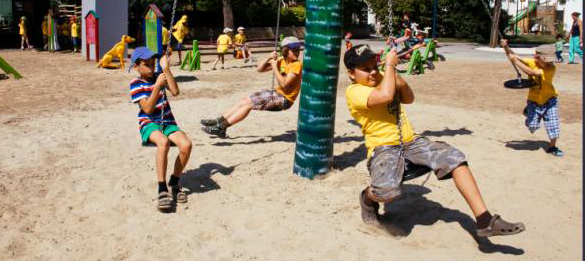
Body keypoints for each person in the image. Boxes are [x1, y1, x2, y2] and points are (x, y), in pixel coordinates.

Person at [344, 44, 525, 238]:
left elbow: (408, 98)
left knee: (454, 158)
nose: (372, 72)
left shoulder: (383, 77)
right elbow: (386, 95)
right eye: (365, 69)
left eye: (374, 66)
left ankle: (485, 220)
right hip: (383, 149)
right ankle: (367, 197)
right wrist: (388, 68)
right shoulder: (354, 91)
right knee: (387, 193)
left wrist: (395, 75)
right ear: (352, 73)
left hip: (410, 142)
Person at [130, 47, 193, 212]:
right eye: (147, 65)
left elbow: (175, 91)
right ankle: (162, 188)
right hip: (149, 122)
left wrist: (166, 69)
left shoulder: (160, 75)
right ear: (136, 66)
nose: (151, 68)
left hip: (167, 121)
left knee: (186, 145)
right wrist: (157, 86)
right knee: (163, 143)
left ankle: (174, 181)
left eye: (153, 64)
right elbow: (148, 109)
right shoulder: (135, 84)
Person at [200, 36, 303, 138]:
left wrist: (275, 66)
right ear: (285, 51)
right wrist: (268, 58)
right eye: (294, 50)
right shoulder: (281, 61)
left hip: (284, 99)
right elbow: (260, 69)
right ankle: (219, 120)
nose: (297, 52)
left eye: (298, 50)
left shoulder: (297, 65)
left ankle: (221, 127)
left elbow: (284, 84)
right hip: (276, 94)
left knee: (249, 104)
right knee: (245, 100)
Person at [501, 39, 563, 157]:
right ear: (537, 58)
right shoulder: (531, 61)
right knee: (532, 126)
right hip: (534, 101)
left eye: (551, 61)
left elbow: (532, 72)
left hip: (550, 100)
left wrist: (516, 61)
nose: (550, 64)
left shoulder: (550, 69)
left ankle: (552, 147)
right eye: (547, 61)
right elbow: (512, 56)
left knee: (553, 125)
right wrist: (506, 47)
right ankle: (528, 112)